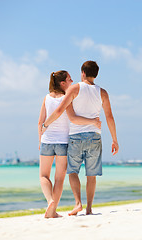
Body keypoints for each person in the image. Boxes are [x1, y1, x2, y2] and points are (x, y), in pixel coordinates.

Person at [41, 60, 119, 216]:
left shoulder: (75, 88)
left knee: (73, 172)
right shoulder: (102, 92)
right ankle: (89, 209)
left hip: (76, 136)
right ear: (96, 74)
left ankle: (78, 203)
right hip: (95, 137)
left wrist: (45, 125)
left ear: (83, 72)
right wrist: (114, 139)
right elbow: (109, 117)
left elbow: (59, 111)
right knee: (91, 175)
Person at [38, 70, 101, 218]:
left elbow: (40, 122)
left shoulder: (46, 98)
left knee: (43, 176)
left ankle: (50, 202)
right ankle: (53, 210)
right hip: (63, 143)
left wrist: (40, 139)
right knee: (59, 179)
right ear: (62, 83)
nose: (72, 82)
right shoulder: (68, 97)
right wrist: (93, 121)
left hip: (47, 140)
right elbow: (73, 117)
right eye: (69, 80)